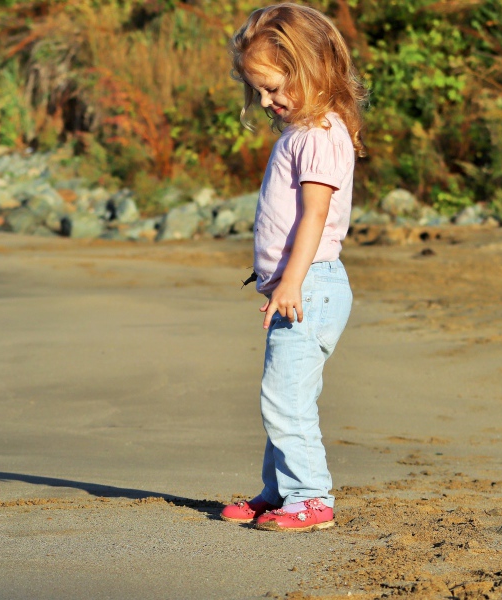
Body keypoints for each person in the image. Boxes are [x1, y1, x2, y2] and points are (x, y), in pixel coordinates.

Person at [219, 3, 368, 532]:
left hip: (312, 286)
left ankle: (311, 498)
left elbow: (315, 215)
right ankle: (280, 490)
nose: (266, 100)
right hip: (303, 286)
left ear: (313, 69)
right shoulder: (306, 131)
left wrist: (291, 280)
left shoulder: (319, 135)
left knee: (284, 398)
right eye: (258, 90)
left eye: (274, 87)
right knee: (285, 395)